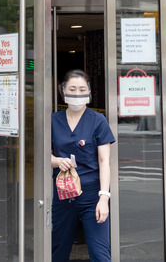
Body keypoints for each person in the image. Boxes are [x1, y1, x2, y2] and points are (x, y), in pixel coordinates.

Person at [50, 69, 115, 262]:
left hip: (92, 195)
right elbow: (43, 155)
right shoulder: (52, 121)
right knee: (58, 249)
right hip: (63, 194)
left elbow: (104, 162)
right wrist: (56, 161)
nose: (77, 94)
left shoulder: (98, 121)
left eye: (81, 89)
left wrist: (104, 198)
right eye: (72, 89)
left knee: (100, 253)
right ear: (62, 91)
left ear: (89, 92)